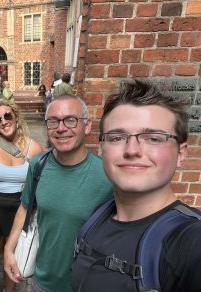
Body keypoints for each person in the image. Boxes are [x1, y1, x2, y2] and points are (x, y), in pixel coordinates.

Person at [70, 79, 201, 292]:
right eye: (117, 137)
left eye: (153, 138)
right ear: (102, 148)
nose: (132, 150)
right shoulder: (97, 217)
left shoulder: (188, 243)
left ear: (181, 153)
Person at [4, 94, 112, 292]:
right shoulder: (38, 165)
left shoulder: (107, 175)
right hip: (42, 281)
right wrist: (9, 249)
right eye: (53, 121)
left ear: (87, 126)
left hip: (85, 284)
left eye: (71, 120)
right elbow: (25, 207)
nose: (61, 128)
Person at [0, 101, 43, 291]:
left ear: (16, 117)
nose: (3, 121)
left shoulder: (33, 148)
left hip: (20, 210)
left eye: (7, 116)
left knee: (14, 258)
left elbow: (39, 186)